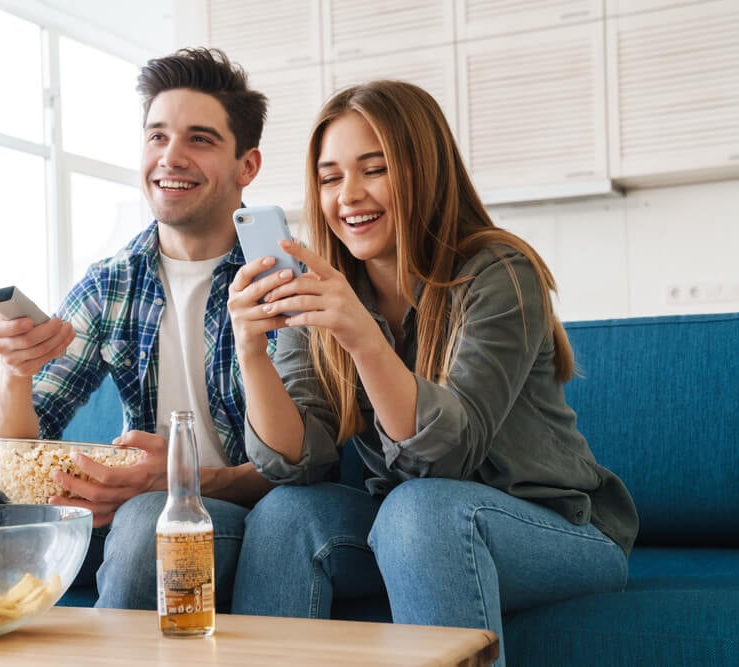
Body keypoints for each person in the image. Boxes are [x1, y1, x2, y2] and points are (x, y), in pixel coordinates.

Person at [225, 80, 638, 665]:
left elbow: (444, 459)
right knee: (286, 514)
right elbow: (298, 461)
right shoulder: (326, 289)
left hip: (553, 529)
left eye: (375, 169)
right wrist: (252, 352)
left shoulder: (499, 271)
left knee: (421, 509)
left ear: (424, 170)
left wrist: (363, 338)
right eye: (330, 176)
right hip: (410, 529)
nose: (349, 196)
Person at [0, 47, 275, 611]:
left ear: (247, 166)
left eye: (199, 139)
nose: (170, 157)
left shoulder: (281, 280)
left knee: (152, 518)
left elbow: (306, 466)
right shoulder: (112, 282)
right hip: (128, 503)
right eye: (157, 137)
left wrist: (178, 480)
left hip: (231, 510)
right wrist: (13, 372)